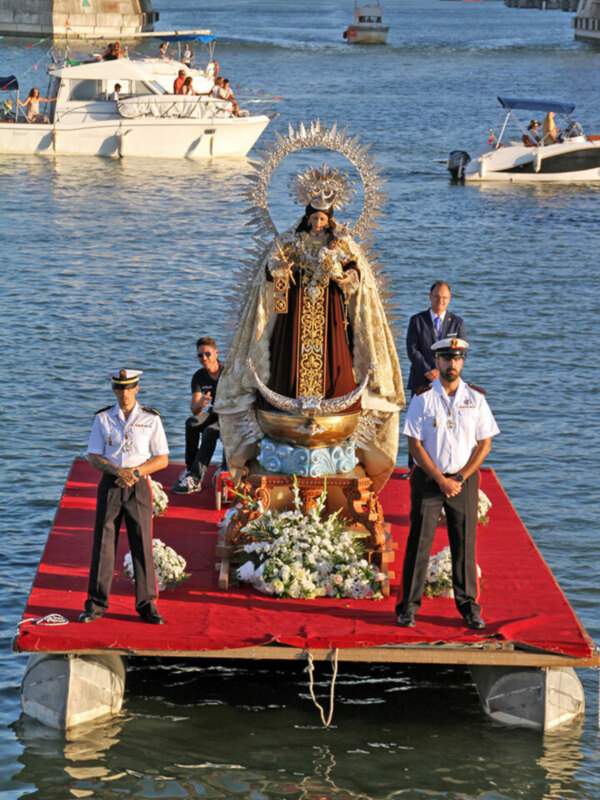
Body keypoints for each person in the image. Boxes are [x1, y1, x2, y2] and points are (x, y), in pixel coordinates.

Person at [215, 168, 405, 493]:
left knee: (335, 365)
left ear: (330, 219)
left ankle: (334, 413)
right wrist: (280, 269)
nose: (318, 225)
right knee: (287, 364)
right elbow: (270, 269)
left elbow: (357, 277)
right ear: (307, 217)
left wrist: (346, 278)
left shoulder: (343, 243)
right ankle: (286, 411)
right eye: (314, 219)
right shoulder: (290, 239)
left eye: (323, 220)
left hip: (330, 317)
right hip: (296, 317)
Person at [395, 338, 500, 630]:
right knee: (419, 543)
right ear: (437, 362)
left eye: (456, 359)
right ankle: (407, 608)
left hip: (463, 481)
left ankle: (469, 609)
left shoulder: (476, 398)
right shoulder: (423, 397)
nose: (451, 364)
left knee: (464, 544)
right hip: (429, 480)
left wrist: (460, 478)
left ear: (462, 361)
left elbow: (484, 444)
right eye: (445, 359)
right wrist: (440, 479)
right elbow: (414, 444)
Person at [79, 369, 169, 624]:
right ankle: (96, 605)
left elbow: (162, 459)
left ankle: (147, 605)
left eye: (129, 388)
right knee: (104, 545)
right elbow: (94, 456)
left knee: (142, 543)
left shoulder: (151, 419)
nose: (124, 393)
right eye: (119, 388)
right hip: (111, 483)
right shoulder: (103, 419)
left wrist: (135, 472)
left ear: (137, 389)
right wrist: (117, 471)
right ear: (113, 390)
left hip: (138, 485)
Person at [171, 337, 227, 494]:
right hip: (214, 412)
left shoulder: (228, 372)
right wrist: (201, 403)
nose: (204, 358)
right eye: (200, 356)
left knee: (210, 431)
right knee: (192, 423)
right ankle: (190, 469)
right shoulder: (199, 376)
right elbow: (194, 410)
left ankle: (196, 479)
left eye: (207, 354)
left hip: (230, 414)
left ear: (216, 353)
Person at [406, 281, 466, 396]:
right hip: (421, 379)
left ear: (449, 299)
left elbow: (463, 352)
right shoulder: (417, 320)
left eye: (444, 297)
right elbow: (412, 350)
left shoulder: (457, 323)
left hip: (450, 380)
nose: (440, 300)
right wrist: (429, 371)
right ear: (430, 297)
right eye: (437, 296)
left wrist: (441, 372)